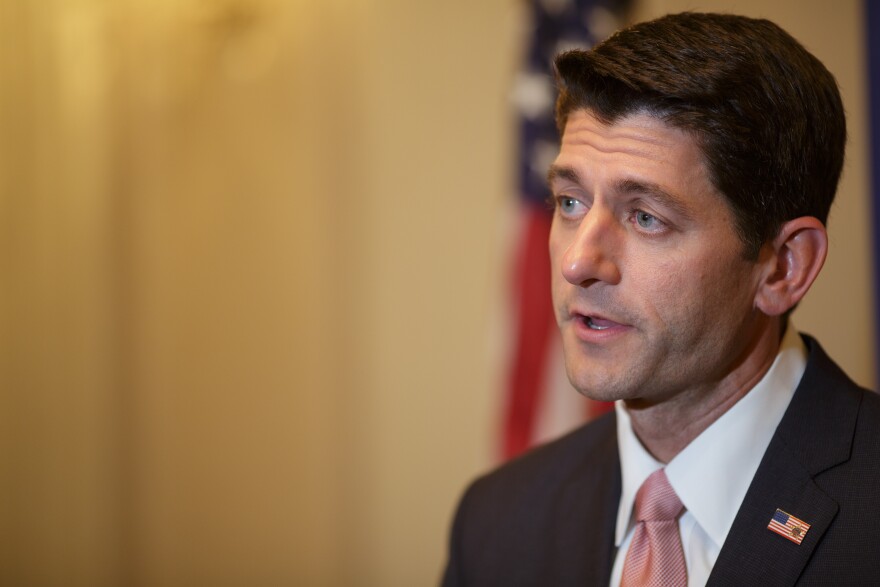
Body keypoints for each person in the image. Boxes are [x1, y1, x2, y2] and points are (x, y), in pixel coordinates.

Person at [442, 12, 880, 587]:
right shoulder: (496, 521)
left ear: (782, 267)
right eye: (569, 202)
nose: (577, 263)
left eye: (645, 217)